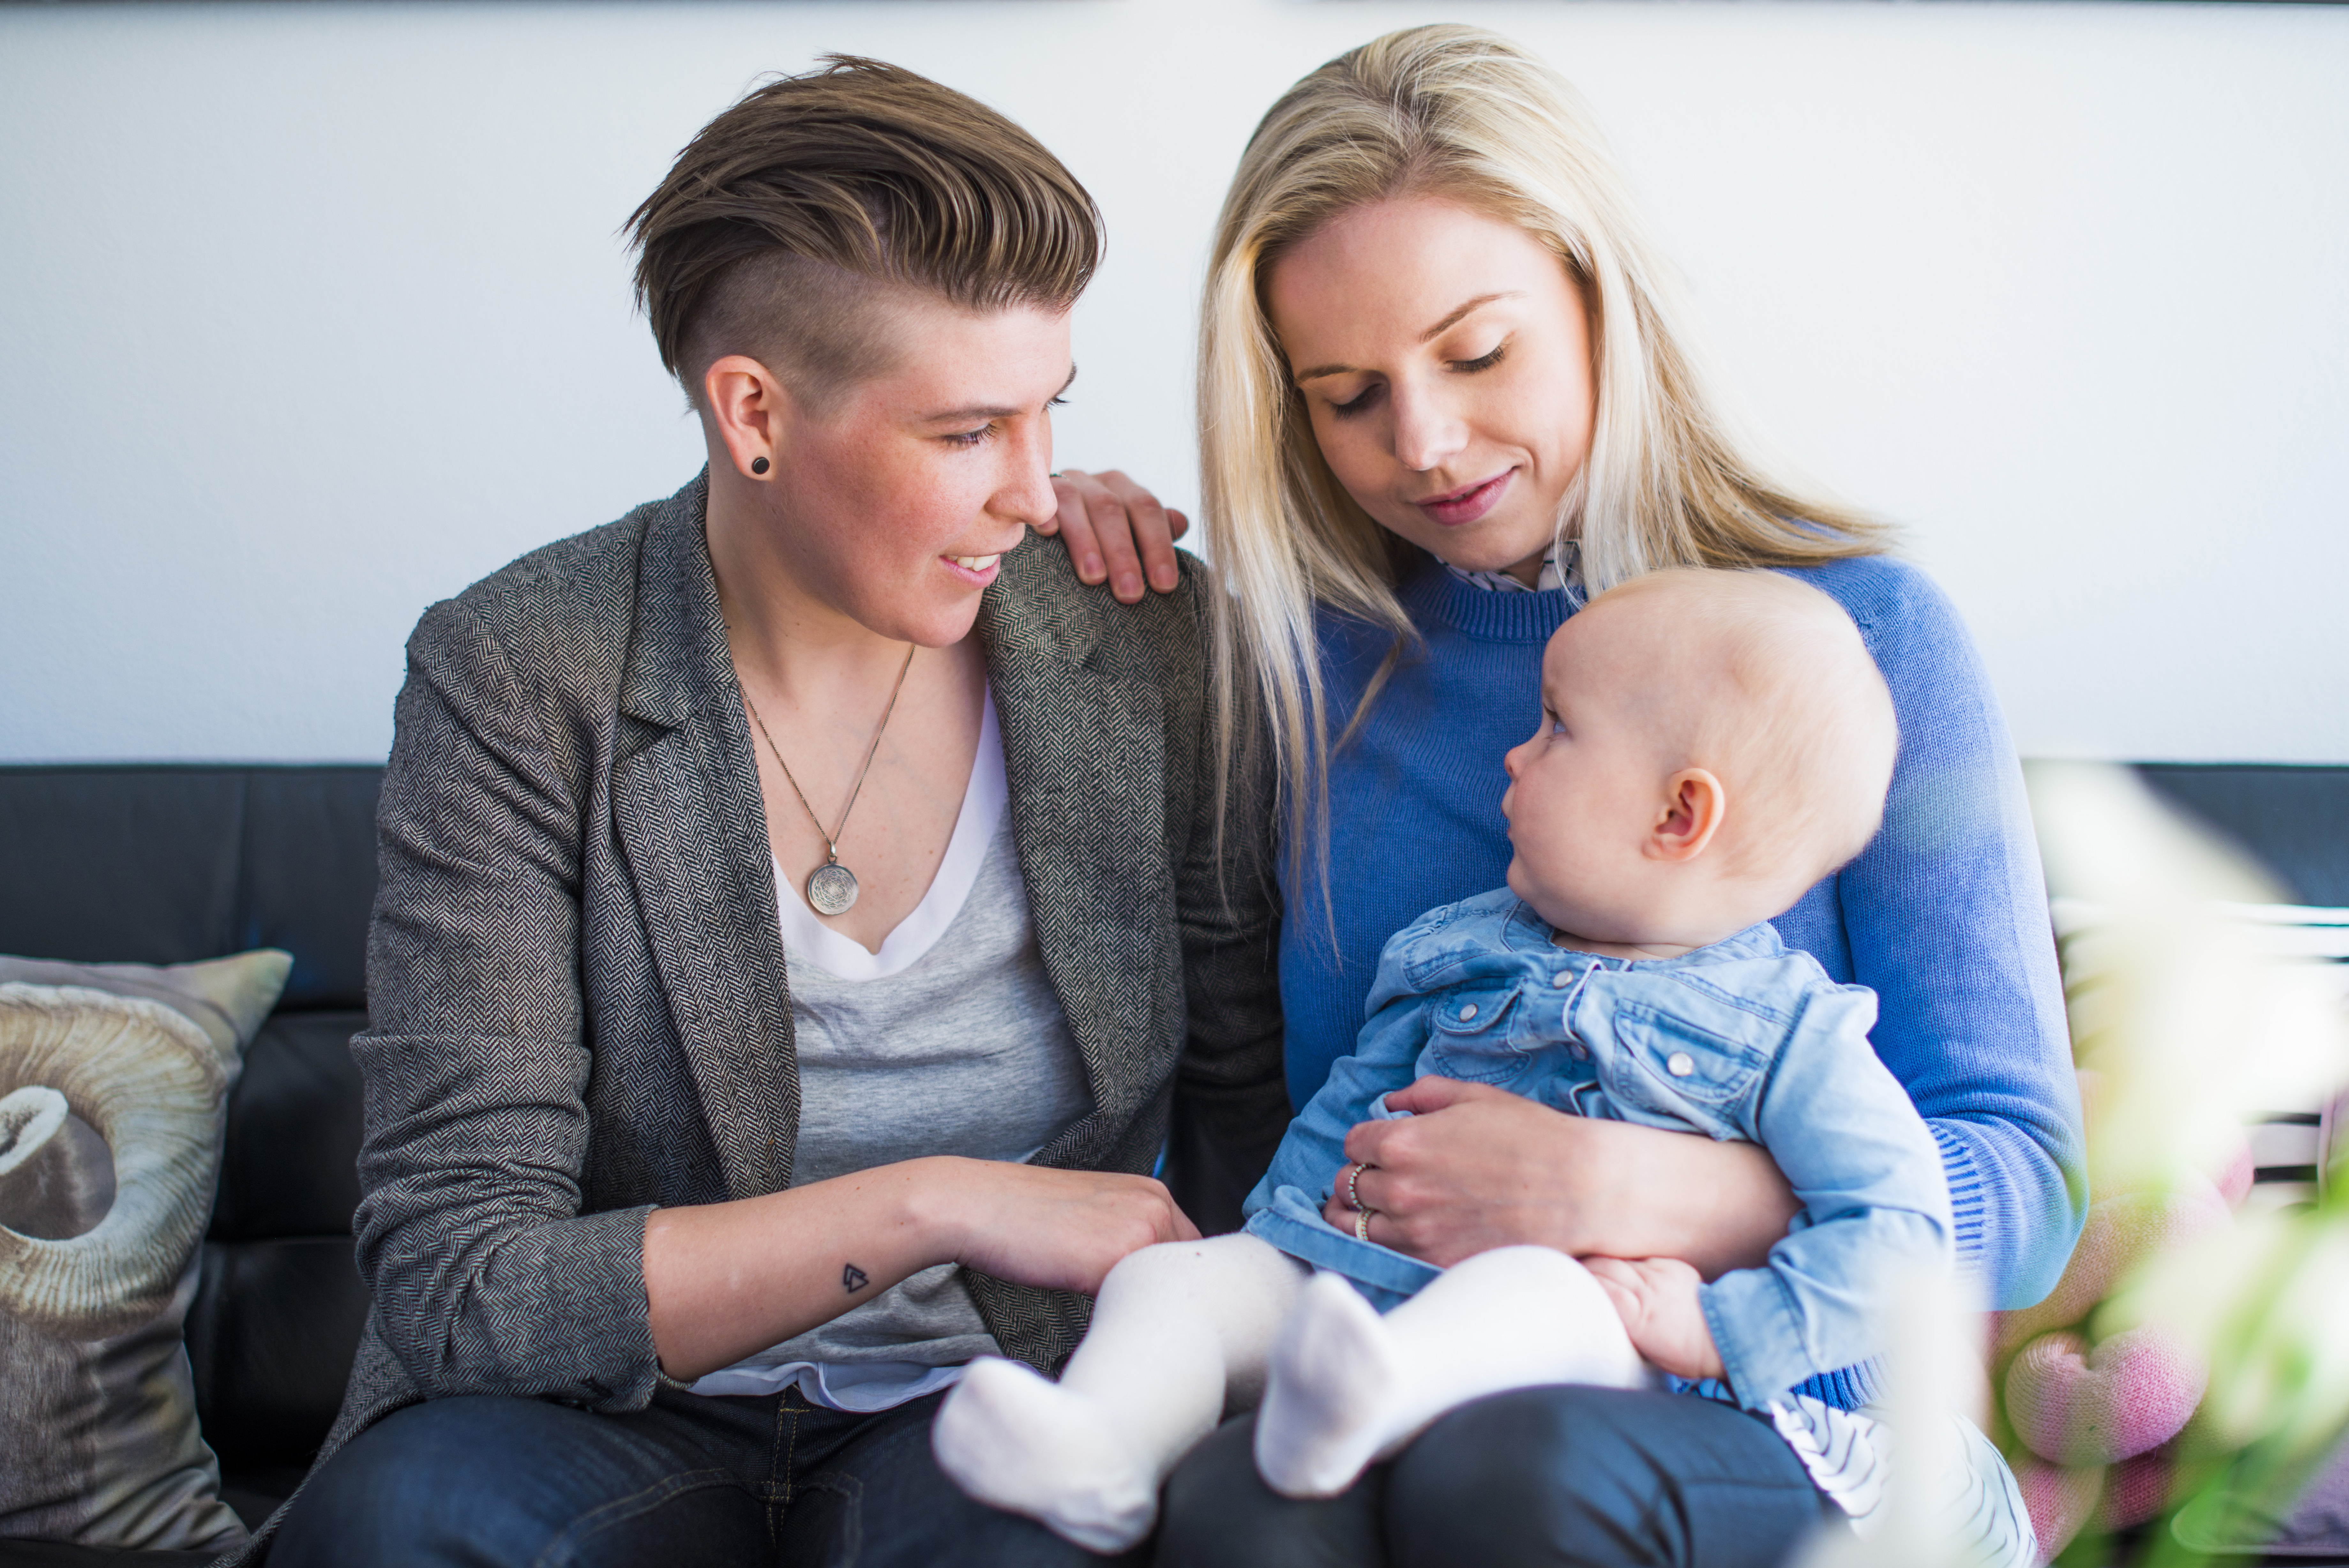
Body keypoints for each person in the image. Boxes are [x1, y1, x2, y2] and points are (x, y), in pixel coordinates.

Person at [1045, 24, 2086, 1568]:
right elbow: (1253, 1133)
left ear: (1603, 299)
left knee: (1521, 1476)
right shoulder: (1297, 670)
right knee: (1232, 1511)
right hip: (1390, 1382)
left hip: (1795, 1416)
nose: (1423, 442)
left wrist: (1628, 1187)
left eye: (1477, 354)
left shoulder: (1855, 642)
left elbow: (2027, 1188)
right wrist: (1038, 540)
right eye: (1347, 393)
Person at [242, 57, 1290, 1568]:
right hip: (609, 1411)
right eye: (965, 432)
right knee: (404, 1527)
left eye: (1047, 413)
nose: (1033, 490)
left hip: (1003, 1391)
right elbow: (465, 1281)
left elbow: (1254, 1109)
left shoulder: (1140, 637)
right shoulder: (520, 673)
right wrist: (937, 1204)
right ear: (753, 413)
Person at [933, 567, 2037, 1559]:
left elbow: (1901, 1236)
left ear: (1679, 813)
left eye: (1556, 729)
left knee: (1538, 1288)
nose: (1514, 753)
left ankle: (1377, 1401)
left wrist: (1722, 1331)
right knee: (1173, 1283)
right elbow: (1347, 1122)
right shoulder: (1452, 945)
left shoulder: (1791, 1030)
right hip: (1348, 1284)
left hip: (1589, 1343)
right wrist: (1272, 1256)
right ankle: (1104, 1450)